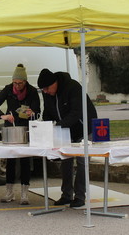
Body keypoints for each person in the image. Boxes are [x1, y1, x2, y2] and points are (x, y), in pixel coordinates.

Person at [37, 68, 97, 208]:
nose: (45, 92)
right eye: (43, 90)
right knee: (65, 161)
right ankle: (66, 195)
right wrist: (46, 126)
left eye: (47, 88)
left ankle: (80, 196)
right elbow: (48, 112)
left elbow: (76, 112)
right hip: (66, 131)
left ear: (55, 82)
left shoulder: (73, 87)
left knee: (82, 162)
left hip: (85, 129)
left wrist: (58, 125)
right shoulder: (47, 93)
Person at [0, 64, 40, 205]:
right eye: (15, 83)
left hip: (25, 128)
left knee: (25, 161)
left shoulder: (32, 91)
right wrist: (2, 116)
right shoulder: (8, 89)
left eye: (20, 83)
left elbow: (38, 110)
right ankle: (9, 192)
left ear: (25, 82)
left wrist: (32, 112)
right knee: (10, 160)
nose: (17, 86)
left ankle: (24, 193)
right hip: (10, 128)